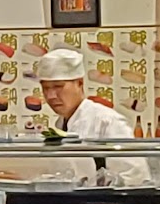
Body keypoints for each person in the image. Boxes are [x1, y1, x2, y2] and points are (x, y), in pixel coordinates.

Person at [35, 48, 151, 186]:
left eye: (58, 86)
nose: (51, 96)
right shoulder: (61, 124)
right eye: (46, 88)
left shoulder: (107, 121)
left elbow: (134, 177)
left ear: (80, 83)